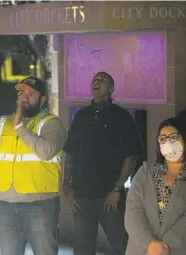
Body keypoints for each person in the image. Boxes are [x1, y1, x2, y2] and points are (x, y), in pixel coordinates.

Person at [0, 76, 66, 255]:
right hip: (5, 206)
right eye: (21, 93)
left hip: (39, 206)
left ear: (42, 100)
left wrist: (20, 128)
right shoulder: (4, 122)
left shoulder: (51, 123)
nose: (24, 98)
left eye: (31, 94)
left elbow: (46, 151)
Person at [63, 72, 142, 255]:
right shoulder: (82, 116)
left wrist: (117, 189)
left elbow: (131, 155)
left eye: (102, 80)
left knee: (121, 244)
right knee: (83, 247)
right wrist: (66, 184)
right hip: (82, 196)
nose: (96, 82)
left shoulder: (121, 117)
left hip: (109, 196)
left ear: (112, 88)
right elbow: (71, 152)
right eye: (94, 80)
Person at [125, 117, 186, 255]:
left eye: (173, 137)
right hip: (141, 250)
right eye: (162, 139)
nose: (168, 143)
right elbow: (133, 212)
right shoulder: (146, 173)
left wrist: (160, 248)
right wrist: (149, 243)